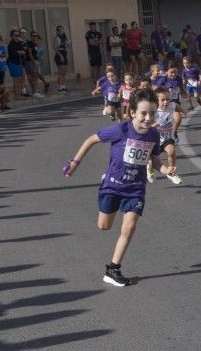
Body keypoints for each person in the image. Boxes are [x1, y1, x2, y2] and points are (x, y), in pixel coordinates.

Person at [63, 86, 159, 288]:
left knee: (130, 226)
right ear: (132, 112)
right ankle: (105, 182)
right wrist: (74, 163)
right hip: (113, 185)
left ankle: (113, 269)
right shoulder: (120, 130)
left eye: (152, 113)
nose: (148, 118)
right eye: (143, 113)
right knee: (104, 226)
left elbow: (155, 160)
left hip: (135, 188)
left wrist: (166, 168)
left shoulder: (153, 136)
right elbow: (91, 139)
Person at [152, 86, 183, 185]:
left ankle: (172, 172)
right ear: (156, 100)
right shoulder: (152, 110)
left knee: (171, 150)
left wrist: (183, 111)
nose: (166, 102)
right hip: (154, 139)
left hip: (166, 137)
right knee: (150, 161)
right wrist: (152, 125)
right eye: (162, 100)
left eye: (167, 99)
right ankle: (149, 169)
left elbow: (176, 106)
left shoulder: (171, 105)